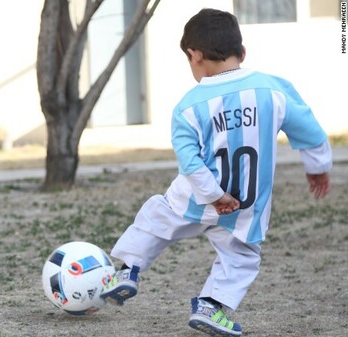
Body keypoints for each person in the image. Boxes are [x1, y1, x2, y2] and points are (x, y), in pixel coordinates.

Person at [100, 8, 332, 337]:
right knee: (240, 258)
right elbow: (310, 131)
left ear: (194, 56)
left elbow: (190, 161)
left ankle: (128, 271)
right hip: (244, 207)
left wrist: (213, 195)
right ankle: (210, 306)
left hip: (195, 198)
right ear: (242, 52)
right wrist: (318, 167)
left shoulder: (188, 107)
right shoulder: (273, 91)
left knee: (156, 218)